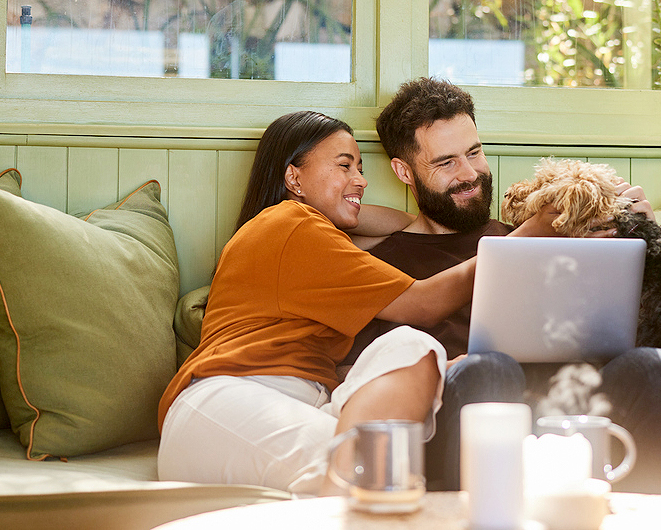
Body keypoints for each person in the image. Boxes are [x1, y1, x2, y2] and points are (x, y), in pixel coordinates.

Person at [156, 110, 559, 495]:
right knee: (372, 467)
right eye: (345, 166)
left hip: (313, 402)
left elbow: (401, 224)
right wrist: (528, 236)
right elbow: (422, 304)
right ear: (293, 177)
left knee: (413, 347)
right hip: (227, 403)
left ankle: (363, 485)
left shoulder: (314, 236)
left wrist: (443, 367)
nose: (361, 180)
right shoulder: (289, 224)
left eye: (362, 168)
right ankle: (365, 491)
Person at [343, 78, 661, 496]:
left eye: (474, 153)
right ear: (404, 171)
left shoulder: (545, 230)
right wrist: (443, 369)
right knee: (488, 368)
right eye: (446, 163)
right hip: (472, 405)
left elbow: (629, 319)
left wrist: (644, 237)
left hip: (570, 402)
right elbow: (355, 375)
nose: (469, 174)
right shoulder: (384, 261)